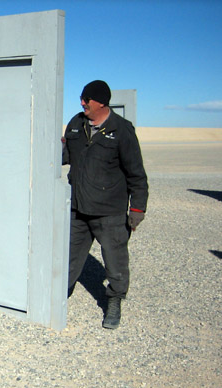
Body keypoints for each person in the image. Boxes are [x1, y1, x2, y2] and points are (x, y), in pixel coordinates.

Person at [62, 80, 148, 329]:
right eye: (81, 98)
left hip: (109, 211)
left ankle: (114, 300)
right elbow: (66, 156)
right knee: (68, 256)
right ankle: (60, 294)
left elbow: (136, 173)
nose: (82, 103)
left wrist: (137, 209)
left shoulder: (121, 130)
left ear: (101, 102)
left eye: (86, 99)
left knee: (115, 260)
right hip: (78, 208)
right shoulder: (76, 124)